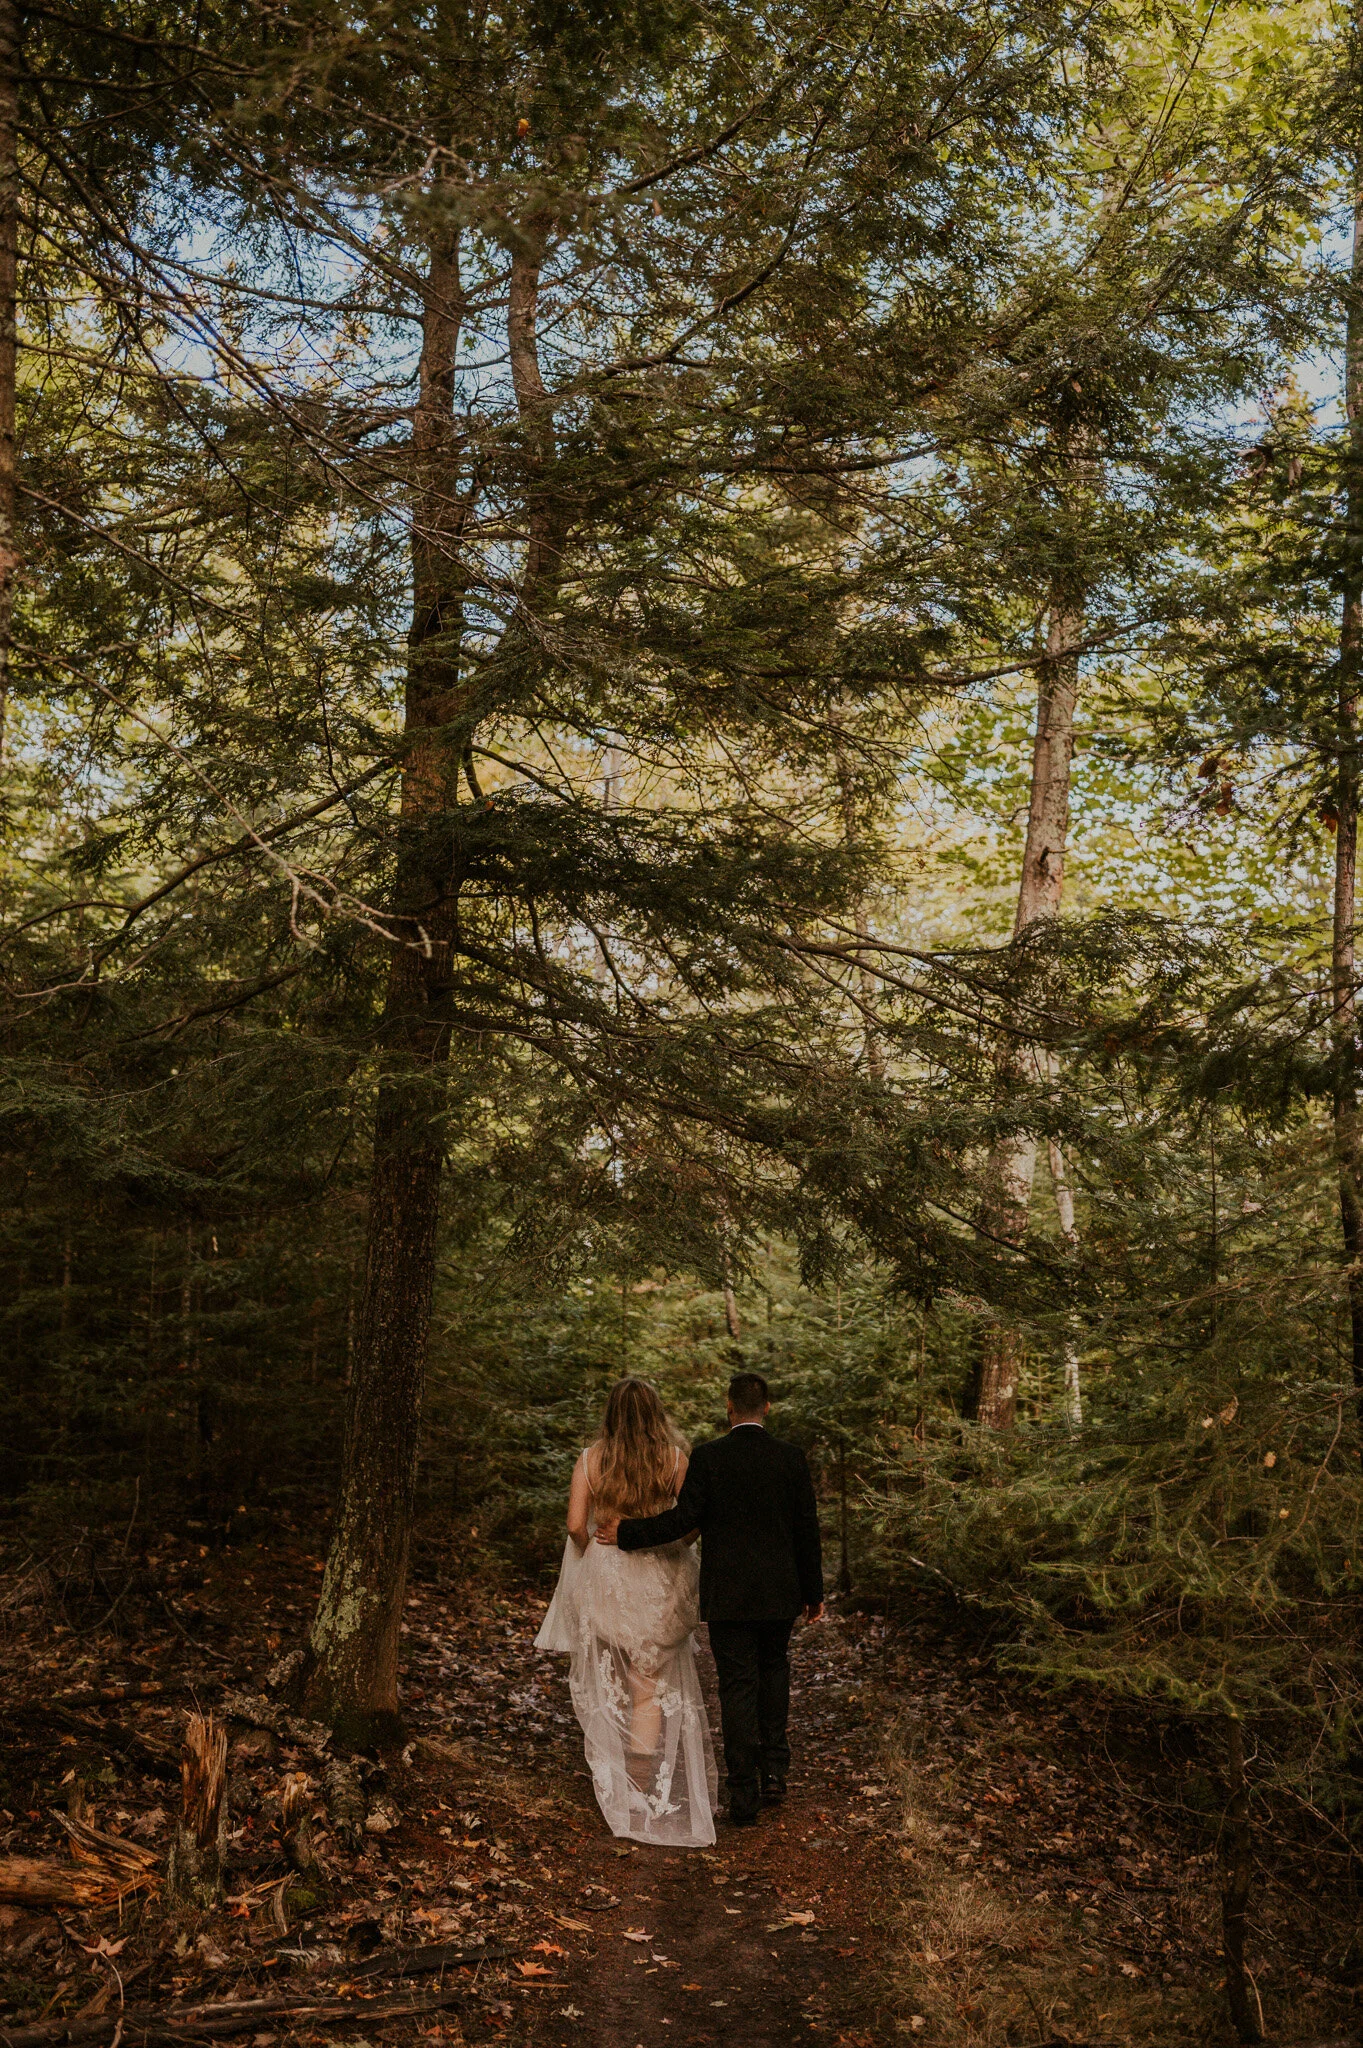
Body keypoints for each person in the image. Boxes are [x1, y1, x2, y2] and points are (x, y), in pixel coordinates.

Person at [595, 1370, 823, 1829]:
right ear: (768, 1407)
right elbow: (806, 1529)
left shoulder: (710, 1458)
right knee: (774, 1670)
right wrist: (812, 1593)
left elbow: (683, 1520)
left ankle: (743, 1795)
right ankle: (775, 1770)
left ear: (729, 1407)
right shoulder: (791, 1459)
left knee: (738, 1685)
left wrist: (627, 1533)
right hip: (780, 1593)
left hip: (729, 1596)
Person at [534, 1377, 718, 1846]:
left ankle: (621, 1784)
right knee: (647, 1685)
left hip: (608, 1577)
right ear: (657, 1411)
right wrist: (674, 1546)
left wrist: (595, 1552)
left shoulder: (593, 1458)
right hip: (662, 1573)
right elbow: (694, 1517)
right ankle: (640, 1783)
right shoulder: (675, 1458)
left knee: (607, 1673)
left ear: (611, 1413)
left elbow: (576, 1524)